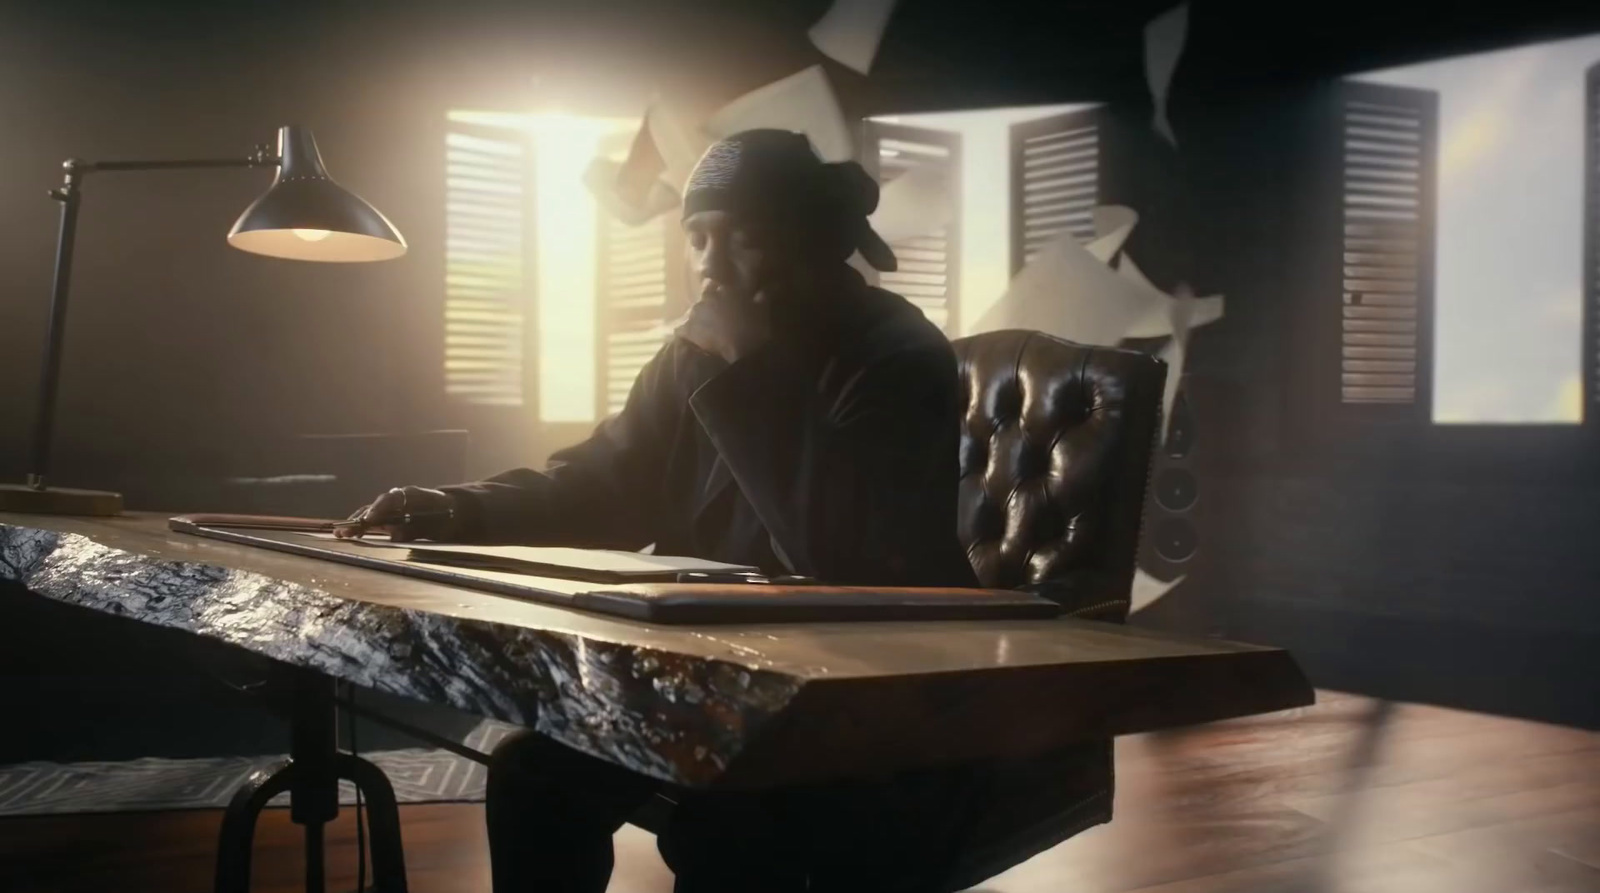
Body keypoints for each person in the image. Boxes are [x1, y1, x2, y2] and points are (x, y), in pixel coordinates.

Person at [341, 129, 979, 892]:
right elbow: (600, 485)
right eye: (697, 239)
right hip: (721, 671)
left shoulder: (898, 356)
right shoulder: (696, 356)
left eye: (741, 240)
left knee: (730, 825)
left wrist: (747, 372)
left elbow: (837, 553)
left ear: (811, 243)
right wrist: (454, 508)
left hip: (861, 690)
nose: (709, 265)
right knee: (532, 773)